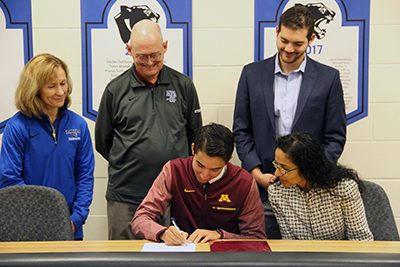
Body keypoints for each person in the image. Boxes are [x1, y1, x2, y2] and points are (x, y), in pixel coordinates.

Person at [233, 4, 346, 238]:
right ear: (277, 31)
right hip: (265, 187)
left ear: (311, 39)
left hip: (309, 190)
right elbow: (242, 130)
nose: (289, 49)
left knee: (308, 257)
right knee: (263, 253)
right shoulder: (251, 74)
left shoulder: (328, 79)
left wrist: (310, 174)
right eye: (284, 40)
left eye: (298, 43)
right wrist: (255, 172)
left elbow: (335, 137)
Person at [95, 19, 202, 240]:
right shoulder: (115, 90)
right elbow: (103, 142)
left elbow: (195, 138)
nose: (150, 62)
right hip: (126, 196)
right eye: (142, 57)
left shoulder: (184, 86)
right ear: (129, 50)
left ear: (165, 46)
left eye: (155, 54)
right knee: (124, 260)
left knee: (173, 257)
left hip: (174, 196)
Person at [0, 53, 94, 240]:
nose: (60, 92)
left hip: (71, 228)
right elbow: (9, 180)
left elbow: (85, 177)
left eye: (63, 83)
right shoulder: (17, 127)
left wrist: (76, 219)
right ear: (34, 90)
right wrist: (44, 221)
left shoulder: (78, 125)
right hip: (29, 229)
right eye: (51, 86)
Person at [131, 123, 266, 245]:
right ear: (193, 148)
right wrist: (162, 232)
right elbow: (140, 219)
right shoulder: (174, 170)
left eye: (215, 169)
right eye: (200, 165)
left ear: (228, 160)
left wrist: (221, 235)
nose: (204, 175)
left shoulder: (244, 182)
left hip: (225, 257)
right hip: (185, 252)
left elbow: (257, 238)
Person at [268, 132, 373, 241]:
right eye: (276, 164)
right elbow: (290, 243)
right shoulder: (277, 192)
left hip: (340, 255)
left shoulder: (343, 188)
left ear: (306, 168)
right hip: (300, 256)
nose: (277, 173)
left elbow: (361, 238)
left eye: (284, 168)